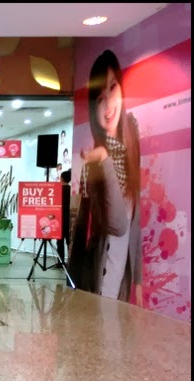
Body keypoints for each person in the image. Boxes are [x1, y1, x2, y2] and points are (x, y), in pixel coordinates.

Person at [69, 49, 142, 305]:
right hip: (99, 278)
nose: (108, 104)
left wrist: (138, 282)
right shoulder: (97, 163)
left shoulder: (131, 151)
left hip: (121, 280)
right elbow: (117, 225)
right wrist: (103, 159)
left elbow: (134, 226)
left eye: (113, 88)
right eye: (100, 99)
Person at [57, 170, 71, 263]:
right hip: (69, 219)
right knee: (69, 242)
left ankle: (60, 262)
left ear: (61, 178)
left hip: (59, 219)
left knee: (60, 242)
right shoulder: (71, 190)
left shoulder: (58, 190)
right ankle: (70, 262)